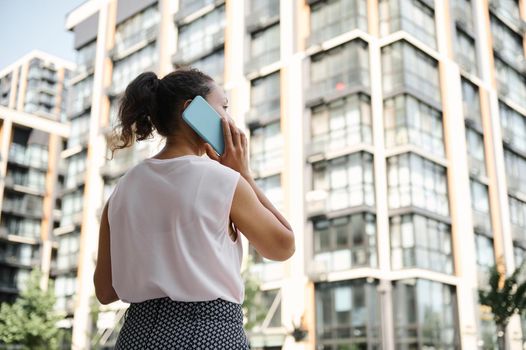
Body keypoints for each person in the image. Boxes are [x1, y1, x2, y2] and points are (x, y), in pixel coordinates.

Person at [92, 67, 295, 349]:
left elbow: (105, 290)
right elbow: (283, 246)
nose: (229, 118)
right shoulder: (224, 181)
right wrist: (245, 175)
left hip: (136, 336)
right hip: (209, 333)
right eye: (223, 106)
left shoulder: (121, 191)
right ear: (192, 110)